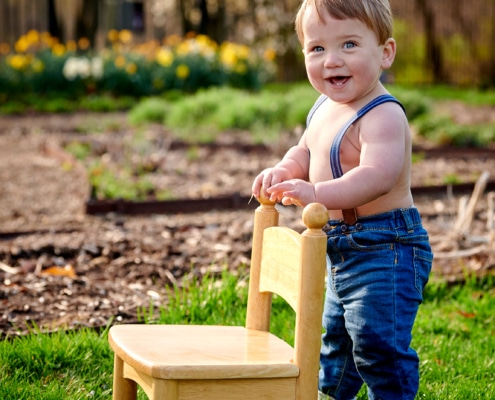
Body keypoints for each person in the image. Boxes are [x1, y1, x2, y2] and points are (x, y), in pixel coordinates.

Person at [251, 0, 433, 399]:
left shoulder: (382, 114)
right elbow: (304, 151)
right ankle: (331, 395)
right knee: (338, 342)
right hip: (340, 245)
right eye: (317, 49)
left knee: (376, 345)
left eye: (349, 44)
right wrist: (284, 170)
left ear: (385, 53)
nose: (332, 60)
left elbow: (376, 176)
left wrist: (315, 193)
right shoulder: (323, 107)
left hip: (387, 247)